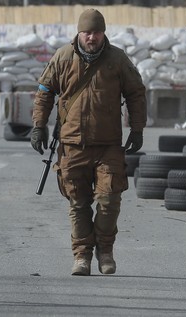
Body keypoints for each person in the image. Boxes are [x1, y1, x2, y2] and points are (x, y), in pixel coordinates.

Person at [31, 8, 147, 276]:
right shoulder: (63, 57)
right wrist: (39, 126)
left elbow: (136, 93)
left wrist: (137, 129)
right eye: (87, 32)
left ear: (103, 33)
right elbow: (45, 92)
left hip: (108, 145)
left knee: (109, 200)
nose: (91, 38)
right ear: (79, 33)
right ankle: (82, 255)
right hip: (71, 145)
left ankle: (105, 251)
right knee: (78, 203)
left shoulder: (117, 59)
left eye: (96, 32)